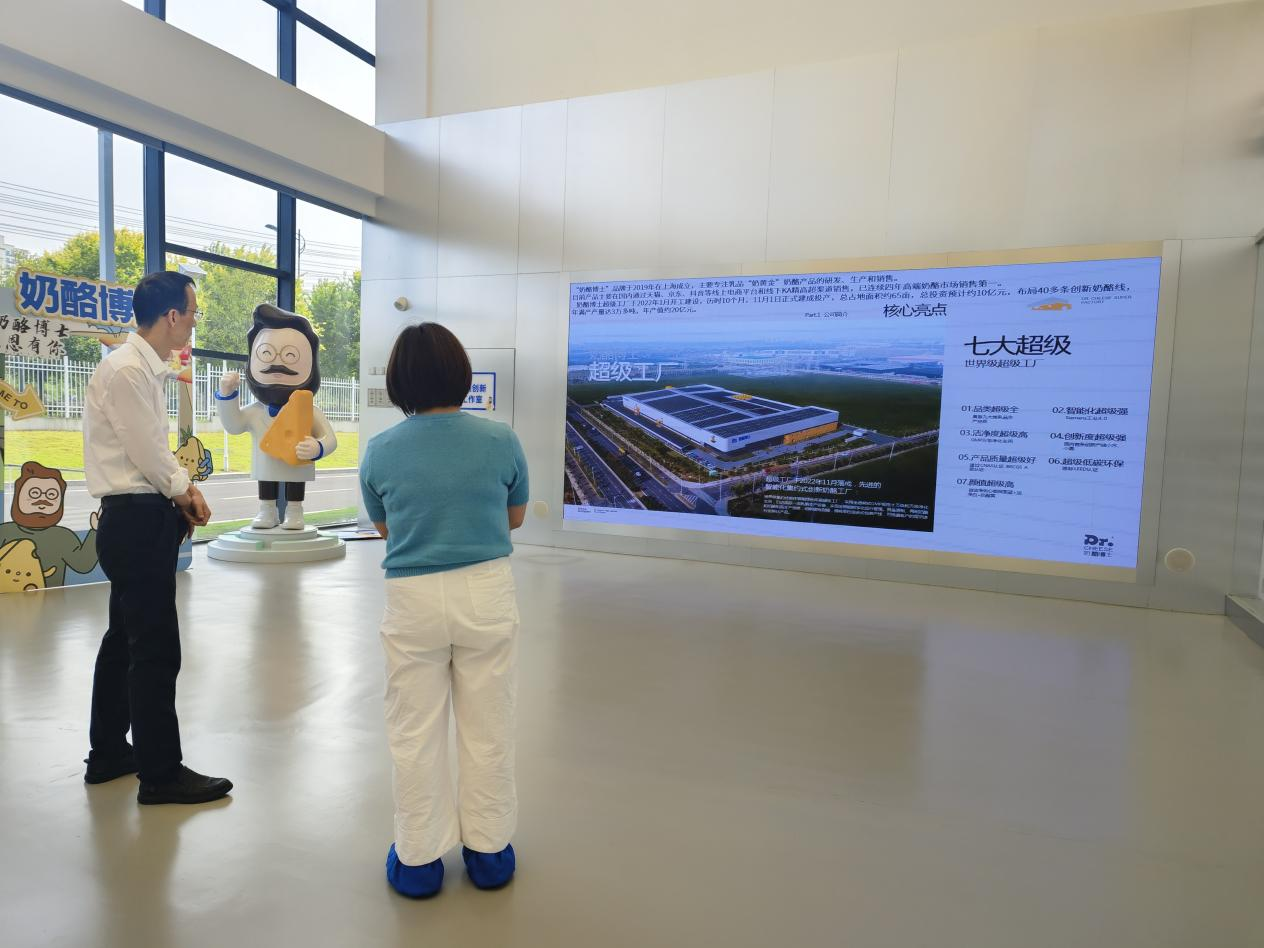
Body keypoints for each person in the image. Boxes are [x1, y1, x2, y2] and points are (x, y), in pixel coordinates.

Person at [359, 323, 529, 897]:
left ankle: (418, 861)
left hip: (412, 598)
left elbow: (386, 528)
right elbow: (514, 517)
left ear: (399, 382)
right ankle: (490, 853)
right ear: (461, 374)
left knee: (414, 728)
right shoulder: (501, 440)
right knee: (489, 725)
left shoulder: (380, 450)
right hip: (486, 590)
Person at [82, 270, 232, 805]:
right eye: (192, 312)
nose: (193, 322)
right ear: (172, 316)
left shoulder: (140, 369)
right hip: (137, 520)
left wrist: (178, 494)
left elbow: (150, 450)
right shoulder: (127, 370)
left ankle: (109, 753)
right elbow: (149, 451)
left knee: (123, 639)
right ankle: (161, 773)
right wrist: (186, 492)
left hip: (136, 518)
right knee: (155, 648)